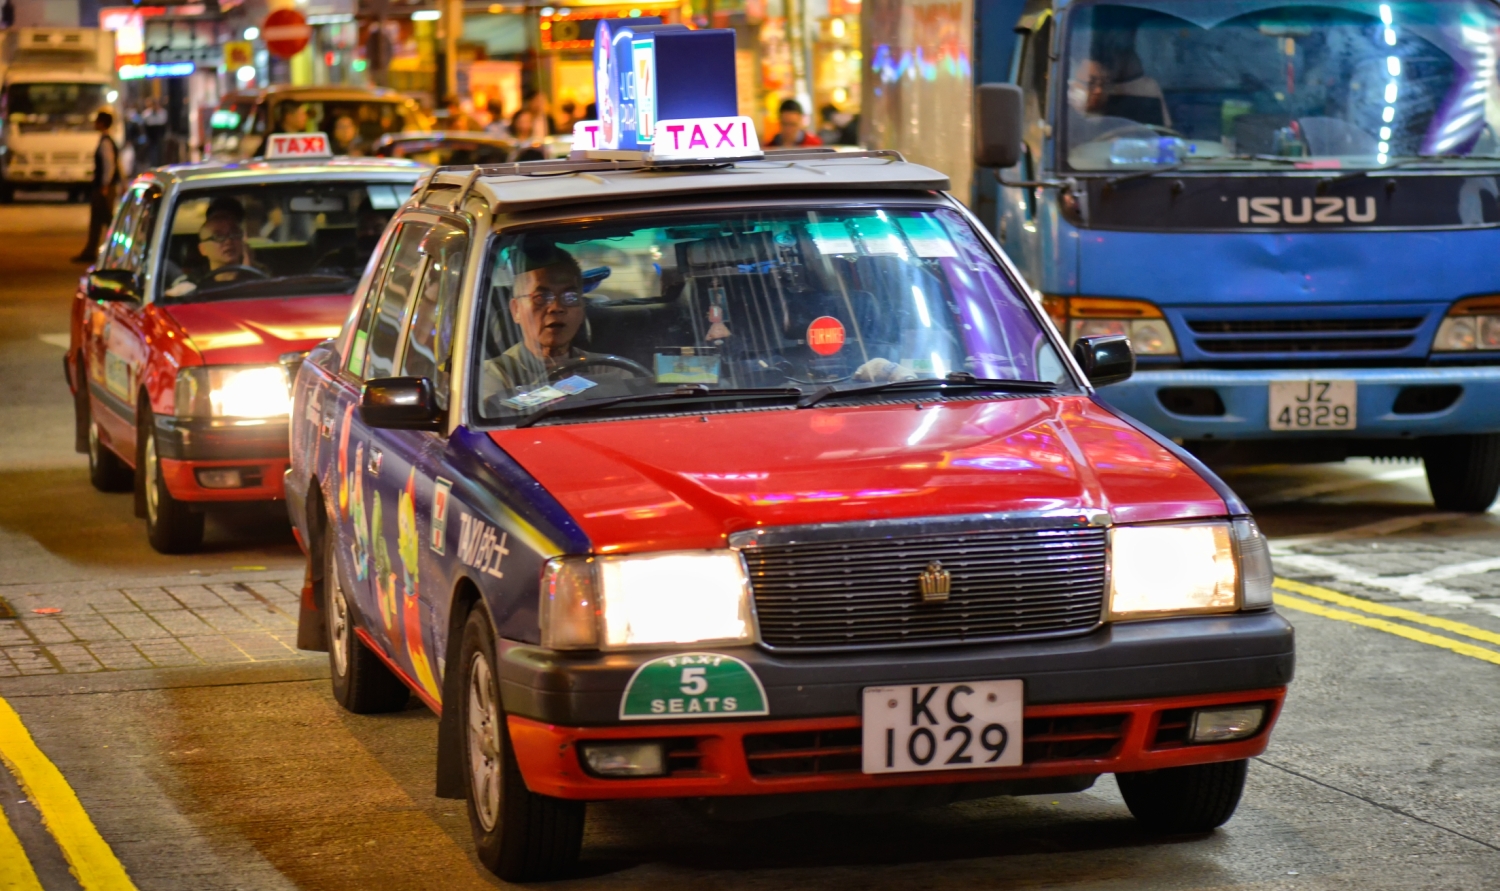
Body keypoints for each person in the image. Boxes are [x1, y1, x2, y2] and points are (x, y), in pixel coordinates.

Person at [482, 245, 605, 398]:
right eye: (541, 297)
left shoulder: (608, 370)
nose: (556, 307)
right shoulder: (493, 377)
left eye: (571, 297)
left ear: (582, 309)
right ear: (516, 310)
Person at [164, 197, 267, 296]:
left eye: (234, 234)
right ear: (202, 249)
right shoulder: (196, 281)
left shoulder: (260, 273)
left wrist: (247, 269)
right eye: (219, 237)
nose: (228, 241)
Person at [72, 110, 121, 264]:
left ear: (101, 123)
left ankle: (117, 251)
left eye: (97, 121)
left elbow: (109, 165)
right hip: (104, 186)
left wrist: (105, 185)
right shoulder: (106, 140)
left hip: (103, 187)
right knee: (98, 220)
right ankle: (91, 250)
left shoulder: (106, 142)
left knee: (106, 219)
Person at [143, 98, 168, 167]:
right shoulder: (146, 114)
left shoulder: (163, 113)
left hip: (160, 135)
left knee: (161, 151)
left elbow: (164, 125)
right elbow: (145, 126)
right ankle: (153, 165)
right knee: (153, 152)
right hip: (151, 135)